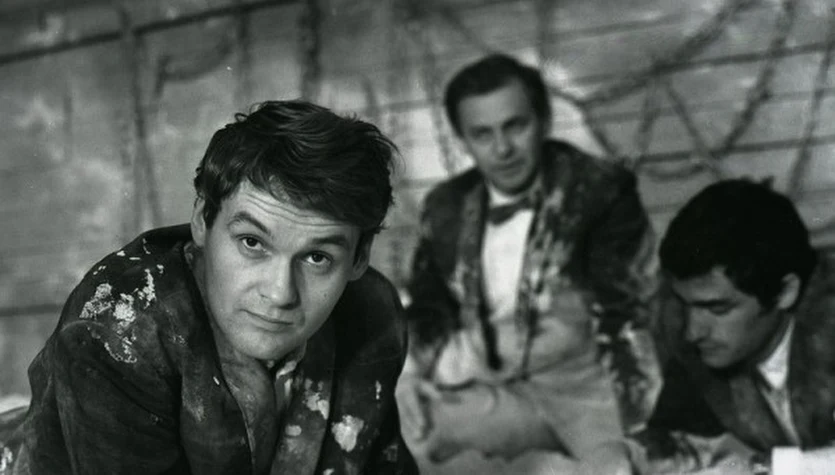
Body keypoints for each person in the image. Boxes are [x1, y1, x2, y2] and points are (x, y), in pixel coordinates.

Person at [0, 100, 418, 474]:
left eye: (317, 258)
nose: (280, 293)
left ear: (359, 258)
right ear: (202, 220)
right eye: (252, 243)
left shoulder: (371, 314)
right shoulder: (118, 330)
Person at [397, 53, 660, 472]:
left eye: (515, 126)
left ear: (544, 121)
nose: (502, 149)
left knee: (628, 469)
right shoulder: (446, 205)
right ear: (462, 140)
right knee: (402, 436)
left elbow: (625, 316)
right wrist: (408, 374)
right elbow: (430, 306)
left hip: (588, 391)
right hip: (495, 388)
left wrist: (640, 423)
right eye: (482, 134)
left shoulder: (601, 190)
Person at [636, 178, 835, 474]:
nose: (693, 331)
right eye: (686, 304)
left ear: (785, 292)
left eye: (718, 309)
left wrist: (766, 467)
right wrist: (628, 453)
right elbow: (676, 437)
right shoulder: (690, 337)